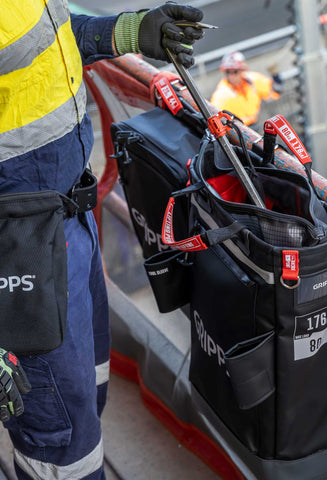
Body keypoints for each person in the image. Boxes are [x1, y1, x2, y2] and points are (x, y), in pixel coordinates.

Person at [0, 2, 203, 479]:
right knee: (59, 440)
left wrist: (126, 32)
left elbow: (46, 44)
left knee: (86, 393)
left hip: (66, 216)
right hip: (17, 254)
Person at [210, 51, 282, 128]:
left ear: (242, 70)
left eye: (235, 71)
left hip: (254, 124)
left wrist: (276, 78)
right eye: (228, 72)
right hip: (236, 131)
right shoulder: (222, 94)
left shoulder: (253, 80)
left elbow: (272, 92)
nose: (231, 76)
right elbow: (214, 117)